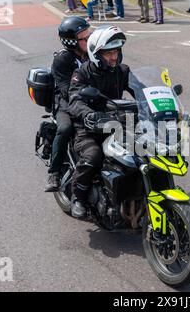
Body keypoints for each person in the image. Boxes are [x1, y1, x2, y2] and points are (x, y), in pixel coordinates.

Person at [67, 26, 133, 218]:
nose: (114, 57)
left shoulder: (122, 70)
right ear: (96, 54)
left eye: (116, 52)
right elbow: (75, 99)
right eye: (109, 53)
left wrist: (162, 106)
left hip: (117, 123)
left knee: (145, 150)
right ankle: (78, 197)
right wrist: (88, 114)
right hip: (89, 127)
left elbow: (142, 89)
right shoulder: (83, 74)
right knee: (94, 155)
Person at [44, 17, 91, 192]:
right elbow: (66, 90)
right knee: (65, 128)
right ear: (71, 41)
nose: (89, 39)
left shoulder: (92, 54)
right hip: (65, 102)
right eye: (84, 37)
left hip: (90, 98)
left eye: (89, 35)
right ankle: (54, 172)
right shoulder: (62, 60)